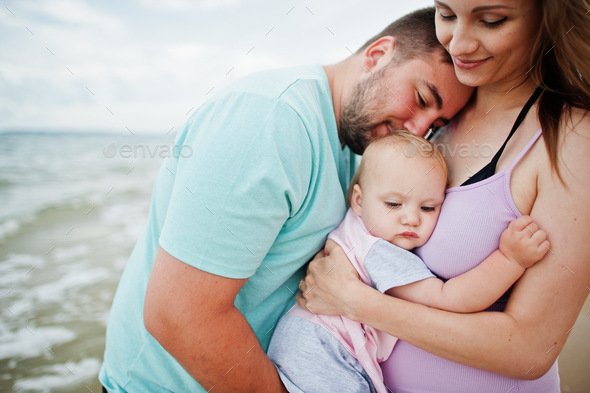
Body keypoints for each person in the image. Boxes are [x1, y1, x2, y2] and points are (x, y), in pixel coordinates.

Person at [98, 8, 473, 393]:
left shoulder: (356, 147)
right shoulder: (271, 120)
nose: (418, 129)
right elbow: (179, 316)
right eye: (421, 98)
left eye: (436, 125)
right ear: (377, 56)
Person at [298, 1, 590, 392]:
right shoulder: (434, 122)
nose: (460, 44)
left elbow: (531, 351)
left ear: (547, 16)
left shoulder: (571, 137)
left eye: (491, 20)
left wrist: (356, 302)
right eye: (447, 14)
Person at [268, 132, 549, 393]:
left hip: (303, 338)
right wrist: (510, 258)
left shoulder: (356, 226)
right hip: (325, 349)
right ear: (358, 200)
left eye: (428, 207)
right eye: (394, 204)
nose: (412, 218)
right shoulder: (380, 251)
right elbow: (451, 298)